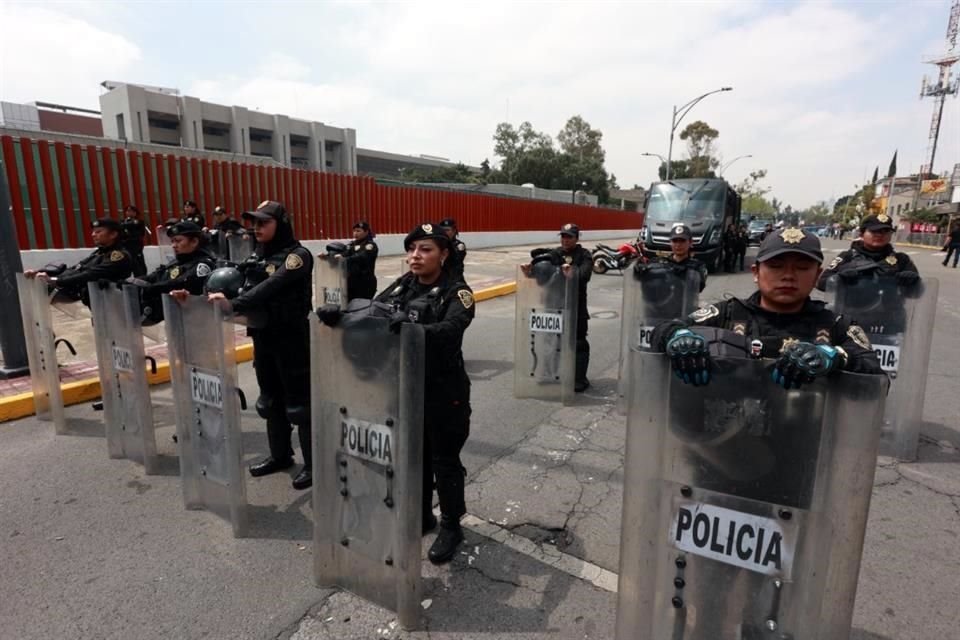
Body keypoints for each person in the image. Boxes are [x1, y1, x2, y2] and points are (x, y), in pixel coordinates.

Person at [319, 222, 475, 564]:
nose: (415, 257)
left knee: (444, 460)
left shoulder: (457, 292)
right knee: (411, 455)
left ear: (444, 254)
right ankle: (421, 515)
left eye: (425, 250)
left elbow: (451, 329)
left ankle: (451, 525)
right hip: (405, 386)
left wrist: (412, 328)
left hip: (443, 391)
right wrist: (340, 315)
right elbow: (373, 309)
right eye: (412, 249)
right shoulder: (405, 284)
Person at [650, 227, 882, 388]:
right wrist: (678, 338)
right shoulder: (728, 313)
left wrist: (836, 357)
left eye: (801, 267)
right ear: (756, 273)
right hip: (721, 443)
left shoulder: (836, 325)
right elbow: (663, 329)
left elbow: (876, 376)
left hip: (805, 447)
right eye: (776, 266)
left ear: (817, 276)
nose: (788, 276)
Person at [208, 201, 314, 490]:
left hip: (292, 340)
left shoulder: (298, 256)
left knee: (300, 406)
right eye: (254, 223)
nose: (257, 228)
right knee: (270, 401)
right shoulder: (257, 255)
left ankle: (314, 466)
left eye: (263, 222)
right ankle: (280, 456)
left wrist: (234, 304)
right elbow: (231, 277)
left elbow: (270, 287)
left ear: (281, 224)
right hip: (263, 336)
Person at [527, 223, 593, 391]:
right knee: (550, 341)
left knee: (578, 343)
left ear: (576, 238)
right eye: (563, 236)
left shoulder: (584, 255)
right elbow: (542, 277)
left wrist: (572, 271)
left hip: (576, 308)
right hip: (553, 306)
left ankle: (579, 379)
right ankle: (549, 374)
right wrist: (531, 271)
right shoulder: (553, 254)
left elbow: (584, 275)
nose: (565, 240)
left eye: (569, 236)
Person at [24, 218, 133, 306]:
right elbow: (77, 269)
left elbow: (90, 274)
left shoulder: (118, 255)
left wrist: (56, 280)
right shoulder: (98, 253)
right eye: (93, 232)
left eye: (98, 231)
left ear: (113, 235)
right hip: (98, 305)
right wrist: (45, 273)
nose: (93, 234)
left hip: (114, 307)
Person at [136, 221, 216, 324]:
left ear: (194, 241)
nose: (173, 245)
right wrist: (134, 281)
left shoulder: (204, 264)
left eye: (178, 241)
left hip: (196, 322)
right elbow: (156, 275)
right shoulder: (178, 262)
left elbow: (181, 282)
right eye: (172, 241)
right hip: (175, 319)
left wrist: (151, 288)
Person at [817, 213, 920, 290]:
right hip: (852, 315)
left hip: (891, 316)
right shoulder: (847, 256)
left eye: (885, 231)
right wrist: (839, 278)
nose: (880, 235)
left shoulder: (901, 259)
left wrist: (912, 281)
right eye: (874, 231)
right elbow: (821, 283)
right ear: (861, 234)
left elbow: (919, 292)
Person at [637, 224, 707, 293]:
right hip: (662, 302)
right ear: (670, 242)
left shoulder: (697, 266)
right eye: (675, 241)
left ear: (691, 242)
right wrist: (640, 268)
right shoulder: (660, 262)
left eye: (682, 240)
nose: (678, 244)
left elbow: (699, 286)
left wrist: (672, 271)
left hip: (686, 303)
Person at [337, 221, 379, 300]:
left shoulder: (370, 245)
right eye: (354, 231)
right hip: (351, 282)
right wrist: (327, 256)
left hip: (365, 282)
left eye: (358, 231)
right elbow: (343, 253)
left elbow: (362, 257)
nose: (355, 233)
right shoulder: (351, 245)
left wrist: (346, 259)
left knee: (362, 307)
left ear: (366, 232)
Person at [120, 204, 149, 277]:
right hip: (126, 246)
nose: (129, 213)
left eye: (131, 211)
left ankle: (141, 278)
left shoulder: (139, 221)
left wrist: (127, 228)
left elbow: (140, 233)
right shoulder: (122, 221)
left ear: (135, 212)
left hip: (136, 246)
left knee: (138, 264)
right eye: (127, 211)